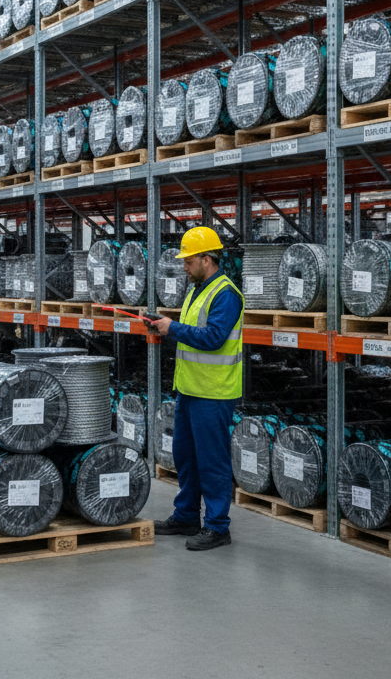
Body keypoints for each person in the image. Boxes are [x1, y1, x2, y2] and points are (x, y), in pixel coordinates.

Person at [149, 226, 244, 550]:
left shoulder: (226, 294)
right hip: (189, 389)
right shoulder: (198, 289)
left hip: (214, 393)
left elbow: (214, 338)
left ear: (207, 258)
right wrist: (165, 325)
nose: (184, 267)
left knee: (212, 461)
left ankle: (217, 526)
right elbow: (191, 330)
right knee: (185, 456)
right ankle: (187, 514)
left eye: (189, 261)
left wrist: (172, 328)